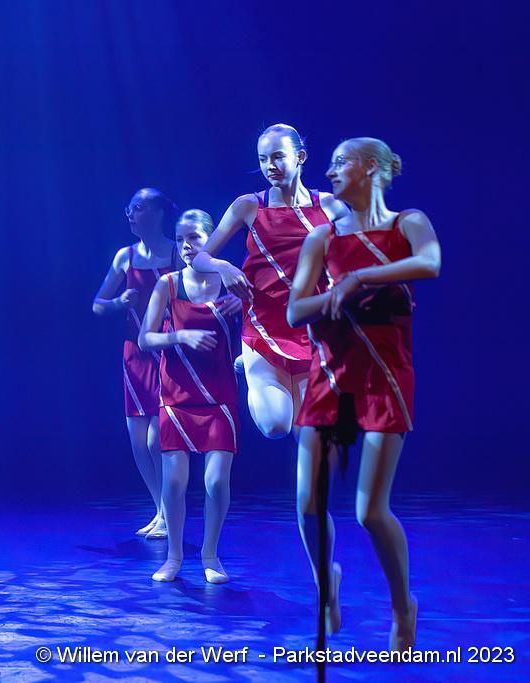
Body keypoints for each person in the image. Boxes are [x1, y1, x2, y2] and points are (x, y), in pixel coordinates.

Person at [287, 138, 441, 651]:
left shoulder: (408, 223)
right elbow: (295, 311)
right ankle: (326, 584)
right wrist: (334, 296)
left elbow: (430, 263)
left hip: (384, 377)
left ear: (371, 167)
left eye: (341, 162)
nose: (331, 171)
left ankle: (402, 606)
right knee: (308, 503)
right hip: (330, 377)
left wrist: (359, 278)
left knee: (371, 511)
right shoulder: (322, 238)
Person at [192, 125, 349, 441]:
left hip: (310, 326)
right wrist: (223, 267)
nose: (270, 166)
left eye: (278, 157)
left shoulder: (330, 206)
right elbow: (200, 258)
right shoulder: (249, 205)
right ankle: (251, 367)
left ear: (300, 156)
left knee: (312, 435)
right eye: (263, 159)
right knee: (276, 426)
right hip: (263, 326)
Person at [139, 211, 238, 583]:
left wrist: (246, 310)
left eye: (194, 237)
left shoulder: (230, 282)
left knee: (216, 481)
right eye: (180, 239)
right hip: (176, 396)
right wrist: (180, 336)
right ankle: (174, 557)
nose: (185, 245)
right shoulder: (168, 284)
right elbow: (145, 338)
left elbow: (263, 323)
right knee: (175, 481)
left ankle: (210, 554)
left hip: (218, 395)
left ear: (211, 239)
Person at [93, 189, 180, 538]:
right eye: (129, 208)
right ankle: (161, 510)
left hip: (166, 351)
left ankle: (169, 512)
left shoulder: (176, 252)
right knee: (137, 439)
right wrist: (118, 303)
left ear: (158, 213)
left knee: (157, 440)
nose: (130, 214)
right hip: (134, 354)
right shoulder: (125, 256)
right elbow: (98, 303)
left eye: (139, 208)